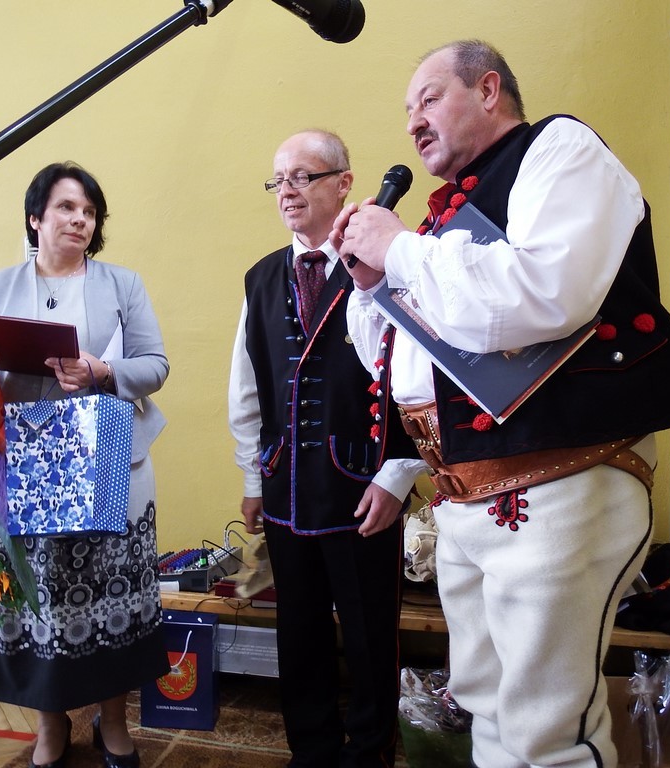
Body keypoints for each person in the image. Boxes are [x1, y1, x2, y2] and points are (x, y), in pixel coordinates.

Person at [330, 41, 670, 768]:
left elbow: (540, 295)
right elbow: (407, 358)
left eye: (429, 99)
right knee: (486, 704)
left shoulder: (559, 149)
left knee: (545, 726)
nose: (413, 121)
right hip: (465, 491)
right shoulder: (446, 221)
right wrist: (375, 285)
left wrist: (401, 250)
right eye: (407, 110)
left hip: (560, 476)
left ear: (488, 89)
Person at [0, 161, 170, 768]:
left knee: (113, 596)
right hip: (26, 466)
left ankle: (114, 724)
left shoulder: (122, 284)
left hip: (109, 458)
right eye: (67, 208)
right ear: (35, 218)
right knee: (41, 599)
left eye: (89, 211)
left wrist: (102, 370)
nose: (80, 220)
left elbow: (155, 364)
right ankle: (51, 727)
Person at [227, 130, 421, 768]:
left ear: (344, 184)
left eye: (302, 177)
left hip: (365, 485)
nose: (286, 191)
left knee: (370, 633)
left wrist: (400, 474)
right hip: (285, 486)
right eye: (278, 180)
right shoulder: (260, 278)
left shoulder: (389, 262)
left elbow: (424, 377)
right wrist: (252, 479)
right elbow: (247, 387)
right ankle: (310, 752)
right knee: (299, 629)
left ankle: (369, 753)